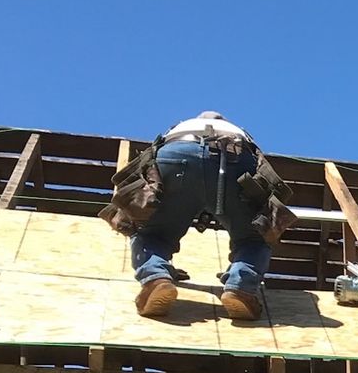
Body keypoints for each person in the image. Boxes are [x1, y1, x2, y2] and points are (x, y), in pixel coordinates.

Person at [101, 112, 296, 320]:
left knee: (152, 233)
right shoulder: (237, 131)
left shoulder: (181, 126)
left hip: (176, 154)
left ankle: (155, 277)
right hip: (236, 158)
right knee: (254, 238)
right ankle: (241, 287)